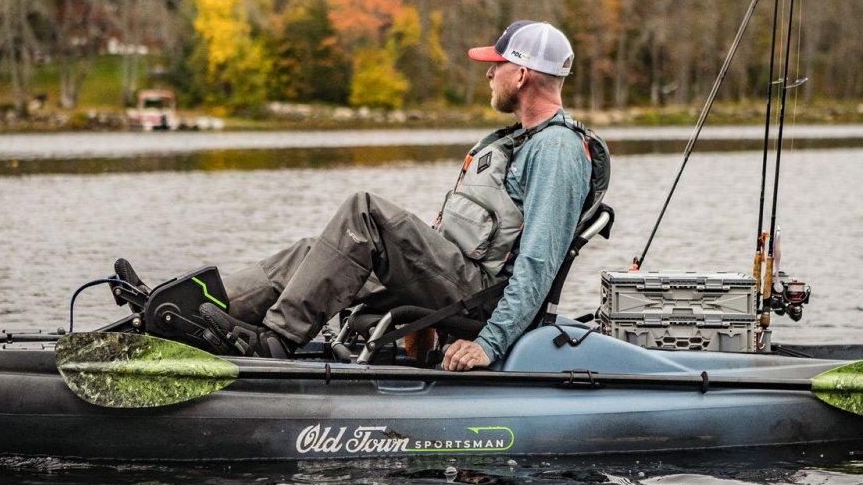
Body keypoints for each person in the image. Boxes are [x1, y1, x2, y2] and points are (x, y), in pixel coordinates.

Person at [121, 21, 596, 371]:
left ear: (522, 75)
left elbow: (538, 264)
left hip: (484, 300)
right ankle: (185, 312)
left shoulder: (557, 150)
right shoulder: (520, 142)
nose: (489, 74)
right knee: (316, 252)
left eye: (497, 65)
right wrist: (429, 320)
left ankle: (275, 343)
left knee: (363, 213)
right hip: (462, 282)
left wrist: (488, 344)